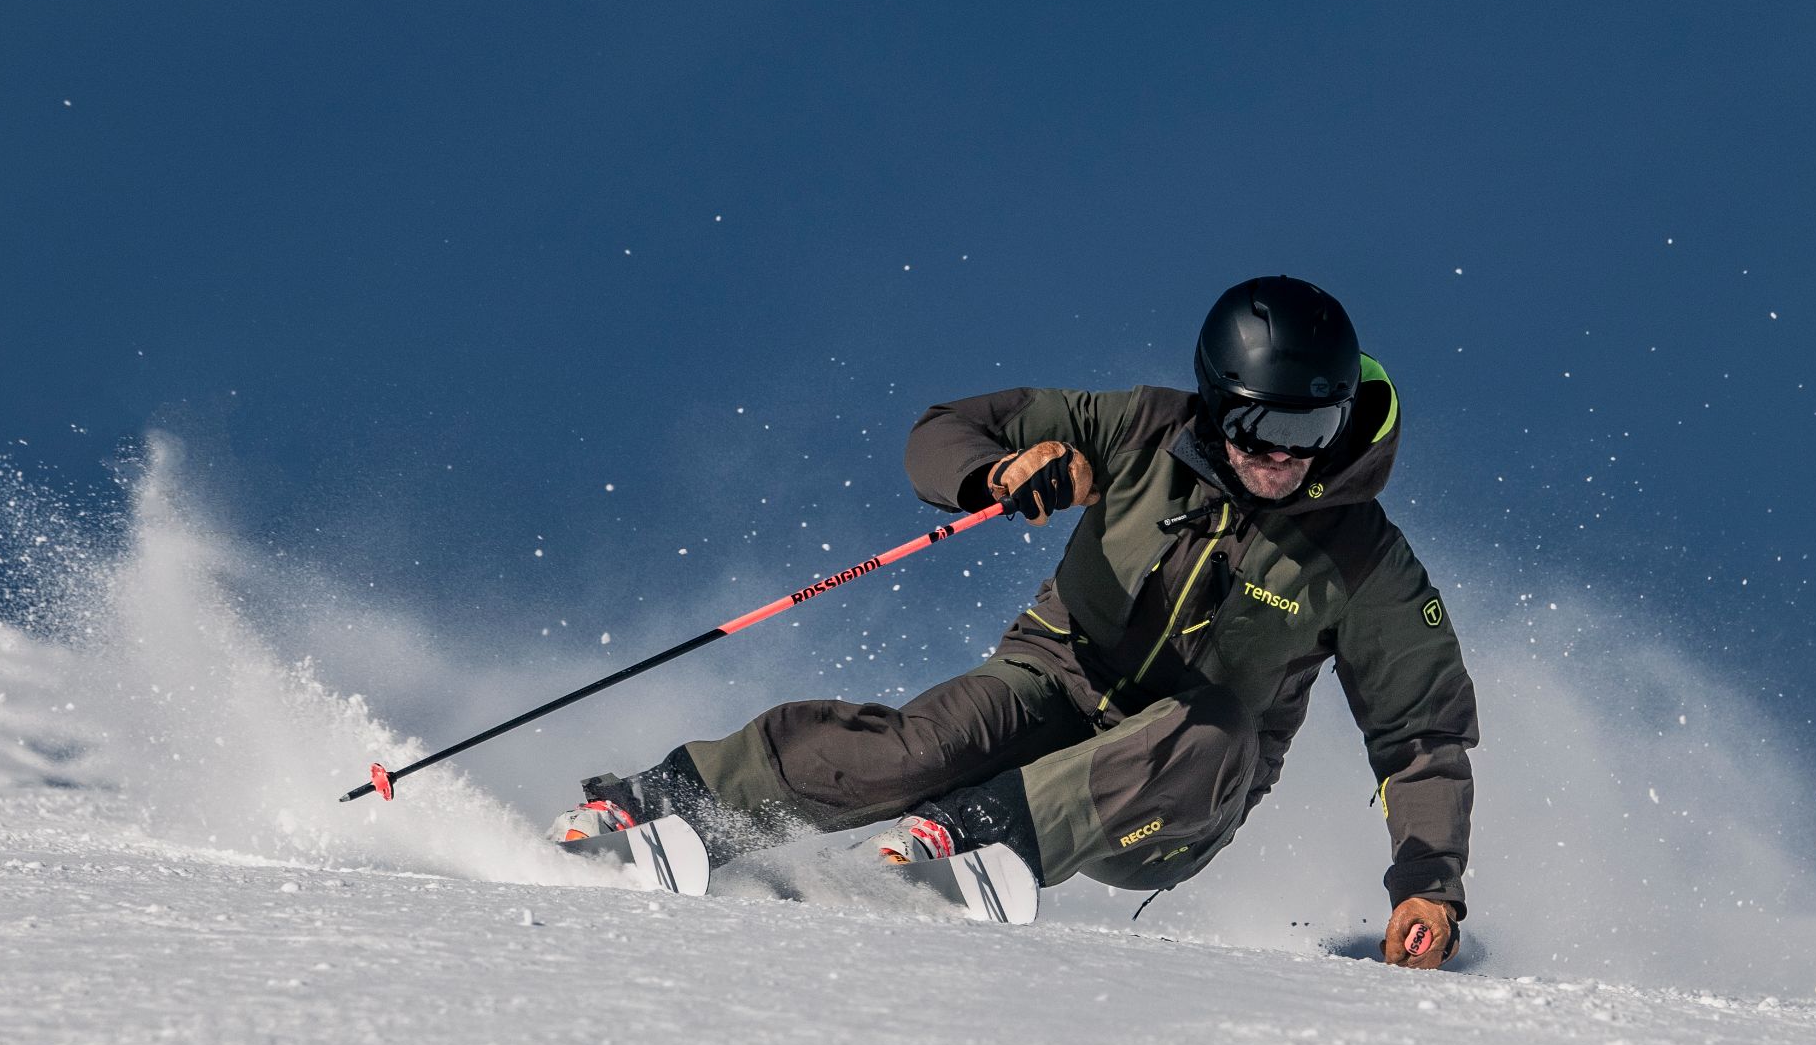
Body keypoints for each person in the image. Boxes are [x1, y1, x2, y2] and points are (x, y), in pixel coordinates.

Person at [554, 276, 1478, 969]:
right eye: (1259, 425)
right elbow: (943, 428)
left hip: (1174, 794)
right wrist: (1003, 472)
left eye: (1310, 430)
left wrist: (1428, 886)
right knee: (920, 748)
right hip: (1053, 679)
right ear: (1214, 401)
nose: (1281, 455)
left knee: (1215, 728)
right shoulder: (1140, 430)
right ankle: (677, 803)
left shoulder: (1367, 560)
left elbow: (1422, 739)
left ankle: (993, 837)